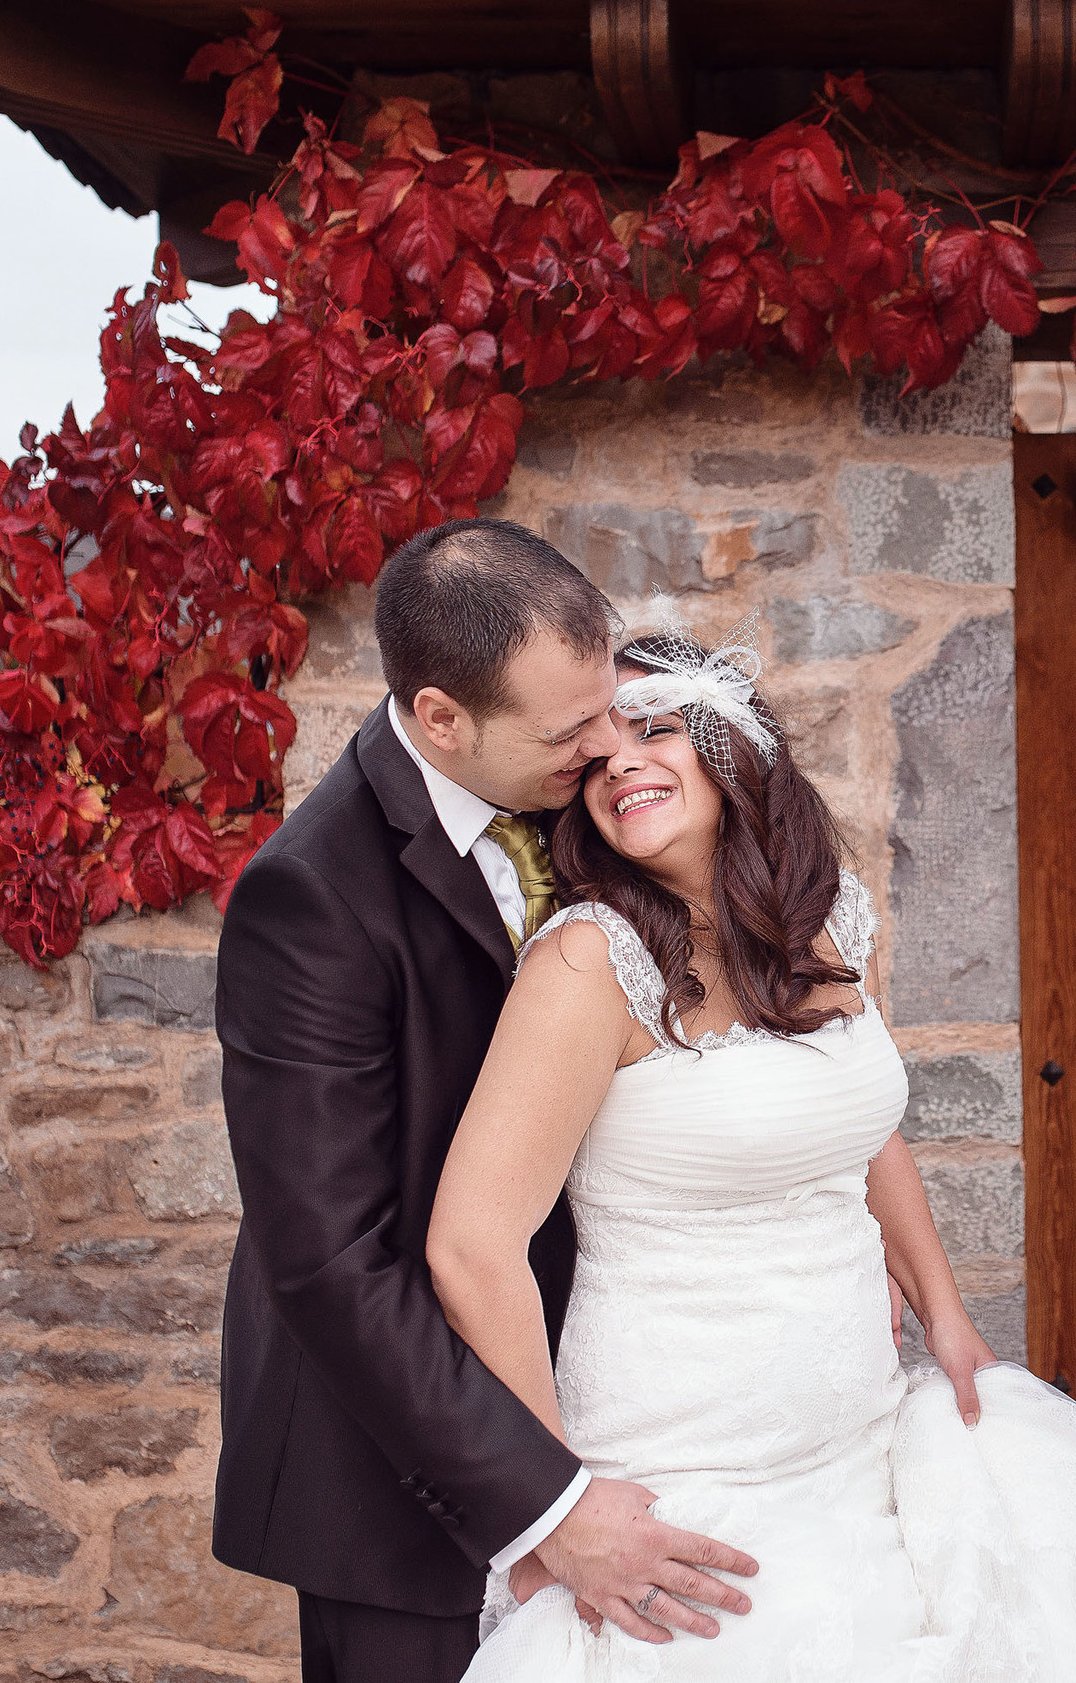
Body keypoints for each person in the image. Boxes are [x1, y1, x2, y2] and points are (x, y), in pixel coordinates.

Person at [427, 618, 1076, 1680]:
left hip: (865, 1431)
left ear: (729, 744)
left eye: (654, 729)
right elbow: (472, 1245)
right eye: (595, 756)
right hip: (687, 1467)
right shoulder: (592, 964)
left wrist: (948, 1319)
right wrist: (554, 1504)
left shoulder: (829, 922)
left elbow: (862, 1135)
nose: (620, 763)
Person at [214, 519, 760, 1683]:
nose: (611, 744)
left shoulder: (576, 793)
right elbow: (328, 1261)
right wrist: (544, 1502)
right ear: (439, 718)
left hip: (624, 1397)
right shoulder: (307, 900)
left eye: (611, 703)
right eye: (571, 730)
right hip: (404, 1482)